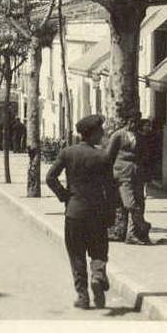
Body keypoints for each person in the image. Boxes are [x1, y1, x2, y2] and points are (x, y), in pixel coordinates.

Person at [45, 114, 116, 310]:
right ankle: (98, 274)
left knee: (76, 255)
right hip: (97, 212)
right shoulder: (102, 156)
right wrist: (111, 212)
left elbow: (50, 177)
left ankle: (83, 296)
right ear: (92, 134)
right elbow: (111, 187)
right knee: (99, 250)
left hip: (74, 213)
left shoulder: (68, 153)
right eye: (100, 131)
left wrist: (65, 196)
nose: (102, 134)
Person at [108, 116, 153, 245]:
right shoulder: (118, 135)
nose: (133, 124)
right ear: (126, 121)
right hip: (122, 175)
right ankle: (144, 225)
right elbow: (109, 155)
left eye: (135, 122)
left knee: (140, 202)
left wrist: (145, 175)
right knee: (130, 204)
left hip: (137, 175)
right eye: (131, 121)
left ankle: (132, 234)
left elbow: (144, 156)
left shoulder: (140, 137)